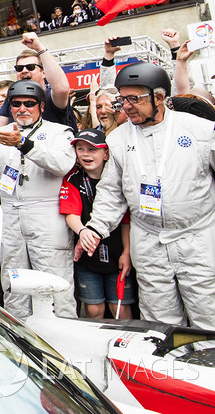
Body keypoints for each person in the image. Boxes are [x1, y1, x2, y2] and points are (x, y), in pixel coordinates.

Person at [78, 62, 215, 329]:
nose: (126, 106)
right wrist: (96, 228)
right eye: (122, 99)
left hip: (196, 237)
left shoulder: (199, 131)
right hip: (149, 240)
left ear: (159, 97)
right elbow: (111, 193)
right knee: (159, 319)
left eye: (134, 99)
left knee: (206, 311)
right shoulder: (118, 140)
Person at [0, 80, 77, 318]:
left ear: (41, 106)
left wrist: (24, 144)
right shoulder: (0, 133)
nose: (22, 108)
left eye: (29, 104)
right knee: (14, 282)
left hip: (47, 213)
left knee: (55, 280)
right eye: (16, 104)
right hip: (10, 214)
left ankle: (63, 336)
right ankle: (21, 336)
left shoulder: (58, 131)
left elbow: (62, 165)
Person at [60, 129, 134, 319]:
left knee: (120, 309)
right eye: (80, 149)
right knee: (93, 309)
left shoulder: (119, 177)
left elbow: (126, 220)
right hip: (87, 256)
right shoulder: (72, 179)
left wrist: (127, 252)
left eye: (93, 149)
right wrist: (83, 231)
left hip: (117, 254)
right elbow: (71, 214)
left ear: (106, 153)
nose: (86, 154)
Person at [0, 32, 75, 132]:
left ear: (43, 72)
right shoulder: (11, 97)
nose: (24, 71)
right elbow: (1, 130)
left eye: (30, 67)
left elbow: (62, 89)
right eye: (19, 68)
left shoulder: (50, 96)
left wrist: (39, 48)